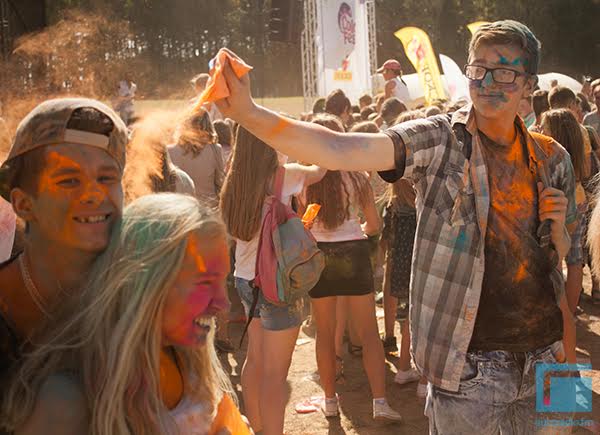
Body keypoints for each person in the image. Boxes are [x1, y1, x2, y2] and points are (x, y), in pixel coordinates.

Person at [212, 19, 578, 433]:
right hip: (468, 373)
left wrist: (561, 237)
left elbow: (560, 268)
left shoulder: (553, 159)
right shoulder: (442, 141)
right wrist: (248, 113)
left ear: (529, 85)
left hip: (551, 359)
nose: (487, 82)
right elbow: (341, 148)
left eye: (504, 72)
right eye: (479, 69)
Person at [1, 193, 250, 435]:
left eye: (222, 281)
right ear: (146, 282)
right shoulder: (67, 402)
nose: (222, 304)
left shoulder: (185, 362)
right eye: (205, 283)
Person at [0, 98, 128, 392]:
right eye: (69, 180)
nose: (93, 194)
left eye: (106, 178)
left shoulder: (140, 305)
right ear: (23, 203)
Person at [219, 126, 325, 435]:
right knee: (276, 375)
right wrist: (311, 136)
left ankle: (257, 428)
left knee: (255, 359)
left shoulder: (234, 181)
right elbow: (321, 170)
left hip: (245, 279)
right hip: (276, 283)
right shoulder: (283, 176)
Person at [300, 115, 402, 421]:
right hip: (354, 253)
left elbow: (303, 224)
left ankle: (330, 401)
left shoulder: (305, 178)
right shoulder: (357, 177)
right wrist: (358, 229)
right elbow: (374, 224)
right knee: (369, 332)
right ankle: (380, 402)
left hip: (319, 256)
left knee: (325, 332)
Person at [542, 109, 599, 311]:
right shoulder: (578, 143)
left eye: (544, 127)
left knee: (556, 260)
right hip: (579, 201)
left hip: (557, 206)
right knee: (575, 261)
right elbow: (586, 172)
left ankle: (562, 313)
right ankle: (571, 311)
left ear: (554, 131)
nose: (541, 130)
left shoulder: (549, 153)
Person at [168, 109, 225, 208]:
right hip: (209, 208)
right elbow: (220, 182)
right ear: (207, 125)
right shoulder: (215, 149)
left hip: (182, 208)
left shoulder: (170, 151)